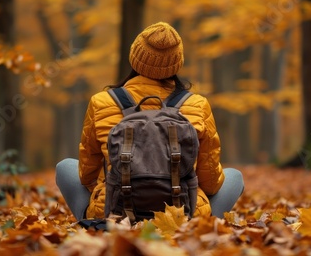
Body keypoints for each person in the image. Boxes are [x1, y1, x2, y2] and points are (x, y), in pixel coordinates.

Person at [56, 22, 244, 221]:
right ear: (177, 63)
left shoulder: (102, 102)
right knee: (234, 176)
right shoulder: (197, 105)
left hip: (116, 213)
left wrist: (115, 189)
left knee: (64, 166)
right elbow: (211, 183)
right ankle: (199, 225)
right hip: (182, 216)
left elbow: (86, 175)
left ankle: (96, 223)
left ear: (135, 58)